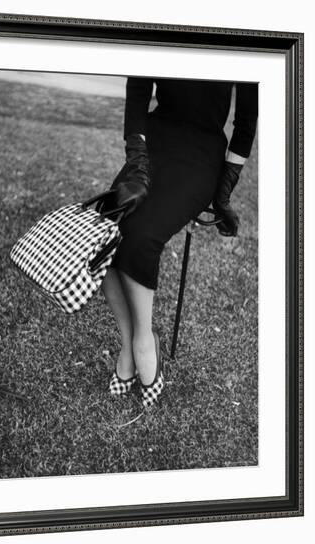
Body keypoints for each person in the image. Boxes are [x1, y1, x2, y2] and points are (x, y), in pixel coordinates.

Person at [100, 76, 258, 408]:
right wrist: (137, 156)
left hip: (202, 154)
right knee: (108, 230)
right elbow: (138, 87)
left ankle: (145, 341)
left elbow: (245, 123)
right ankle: (129, 343)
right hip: (153, 144)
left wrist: (225, 186)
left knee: (141, 237)